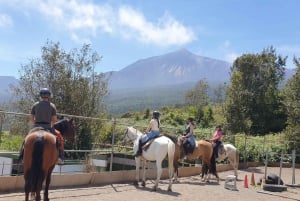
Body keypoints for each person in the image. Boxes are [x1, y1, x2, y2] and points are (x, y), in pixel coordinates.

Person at [20, 88, 65, 164]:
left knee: (26, 139)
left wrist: (35, 123)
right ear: (49, 96)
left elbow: (31, 117)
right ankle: (60, 157)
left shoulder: (35, 105)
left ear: (41, 96)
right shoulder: (52, 106)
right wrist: (51, 126)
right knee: (59, 138)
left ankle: (22, 156)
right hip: (48, 127)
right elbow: (54, 119)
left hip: (36, 126)